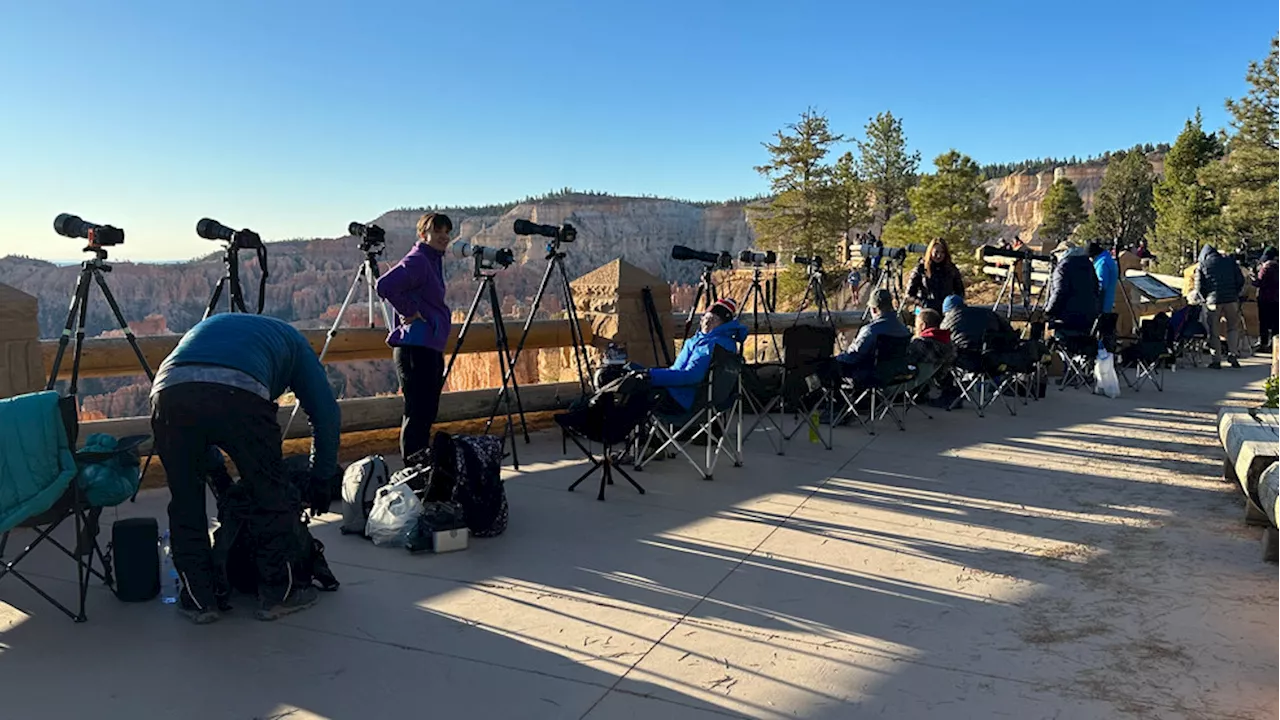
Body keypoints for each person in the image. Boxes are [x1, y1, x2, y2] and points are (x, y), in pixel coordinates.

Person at [150, 314, 340, 624]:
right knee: (270, 494)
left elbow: (199, 411)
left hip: (169, 392)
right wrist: (323, 476)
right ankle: (281, 594)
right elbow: (326, 414)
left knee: (185, 501)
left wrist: (220, 478)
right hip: (241, 392)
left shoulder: (215, 329)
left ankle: (199, 599)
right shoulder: (295, 344)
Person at [376, 212, 452, 462]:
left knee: (426, 412)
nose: (443, 236)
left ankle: (420, 467)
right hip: (415, 348)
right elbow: (384, 285)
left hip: (427, 345)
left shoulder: (432, 260)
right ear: (423, 234)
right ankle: (412, 470)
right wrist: (410, 311)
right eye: (437, 231)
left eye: (446, 232)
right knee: (418, 413)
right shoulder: (419, 259)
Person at [646, 298, 747, 414]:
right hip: (692, 399)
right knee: (632, 380)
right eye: (706, 318)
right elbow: (678, 370)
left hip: (684, 400)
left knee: (634, 391)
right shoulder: (718, 342)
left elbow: (692, 375)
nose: (707, 322)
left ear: (724, 324)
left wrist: (650, 376)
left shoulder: (713, 344)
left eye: (714, 319)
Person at [835, 289, 911, 384]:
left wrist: (838, 358)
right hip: (896, 375)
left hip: (871, 376)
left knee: (831, 369)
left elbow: (854, 356)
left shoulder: (870, 330)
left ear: (874, 309)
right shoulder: (904, 330)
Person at [1195, 244, 1246, 368]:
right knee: (1233, 327)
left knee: (1214, 331)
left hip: (1213, 301)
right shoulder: (1230, 261)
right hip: (1231, 300)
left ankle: (1216, 360)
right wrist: (1236, 293)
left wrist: (1205, 298)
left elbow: (1199, 287)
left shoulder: (1203, 265)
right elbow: (1241, 280)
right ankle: (1233, 354)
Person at [1045, 242, 1101, 335]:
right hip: (1089, 316)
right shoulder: (1088, 264)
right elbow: (1096, 287)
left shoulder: (1063, 266)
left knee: (1063, 344)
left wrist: (1049, 311)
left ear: (1063, 252)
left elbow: (1060, 291)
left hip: (1068, 317)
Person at [906, 238, 966, 314]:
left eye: (942, 252)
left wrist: (952, 305)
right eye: (936, 252)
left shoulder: (951, 269)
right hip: (925, 311)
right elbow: (909, 295)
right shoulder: (921, 269)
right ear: (930, 252)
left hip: (947, 311)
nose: (939, 255)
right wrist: (923, 303)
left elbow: (960, 292)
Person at [940, 295, 1016, 354]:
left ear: (946, 311)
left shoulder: (946, 322)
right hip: (993, 354)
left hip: (965, 358)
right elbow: (1009, 331)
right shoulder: (987, 313)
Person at [1253, 247, 1280, 353]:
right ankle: (1275, 344)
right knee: (1276, 324)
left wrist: (1253, 280)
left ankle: (1264, 343)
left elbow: (1260, 283)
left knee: (1263, 323)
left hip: (1265, 299)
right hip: (1278, 299)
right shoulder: (1278, 268)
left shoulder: (1265, 269)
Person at [1088, 241, 1119, 313]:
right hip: (1108, 301)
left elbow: (1101, 285)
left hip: (1103, 304)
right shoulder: (1107, 258)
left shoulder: (1102, 263)